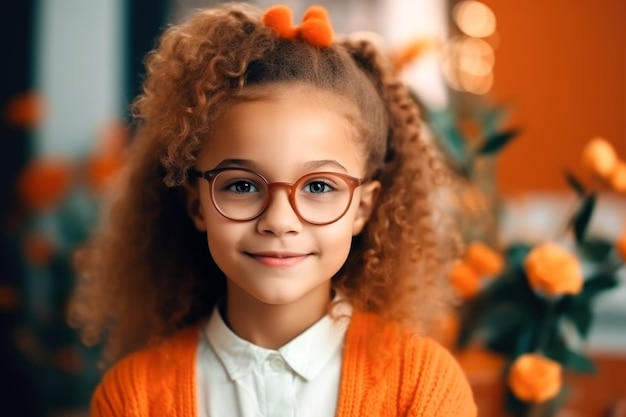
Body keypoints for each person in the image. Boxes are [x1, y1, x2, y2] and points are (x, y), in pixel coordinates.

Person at [69, 3, 476, 416]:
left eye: (319, 186)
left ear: (362, 208)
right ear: (197, 203)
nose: (280, 221)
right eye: (242, 186)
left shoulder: (422, 386)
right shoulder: (132, 397)